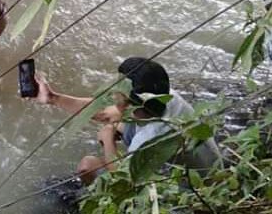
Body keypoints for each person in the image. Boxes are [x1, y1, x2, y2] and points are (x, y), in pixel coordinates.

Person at [26, 57, 221, 185]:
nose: (113, 88)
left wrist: (108, 140)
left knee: (87, 165)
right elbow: (103, 111)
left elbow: (126, 180)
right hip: (209, 167)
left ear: (128, 104)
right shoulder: (164, 97)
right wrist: (52, 98)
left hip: (192, 190)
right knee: (118, 124)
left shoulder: (148, 139)